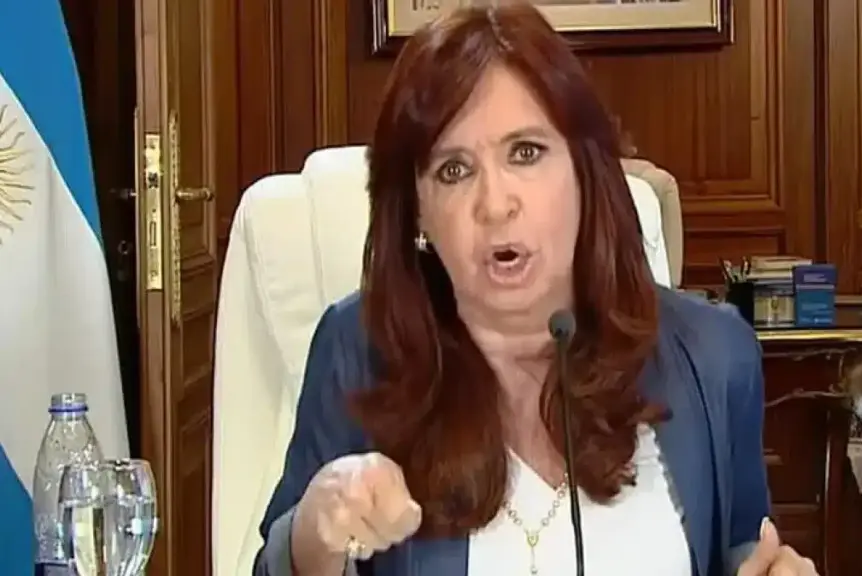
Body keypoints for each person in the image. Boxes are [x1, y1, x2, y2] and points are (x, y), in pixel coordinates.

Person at [253, 4, 818, 575]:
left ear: (584, 171)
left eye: (525, 152)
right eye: (454, 170)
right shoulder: (359, 352)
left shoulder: (714, 355)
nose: (496, 204)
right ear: (418, 212)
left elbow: (745, 549)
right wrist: (315, 533)